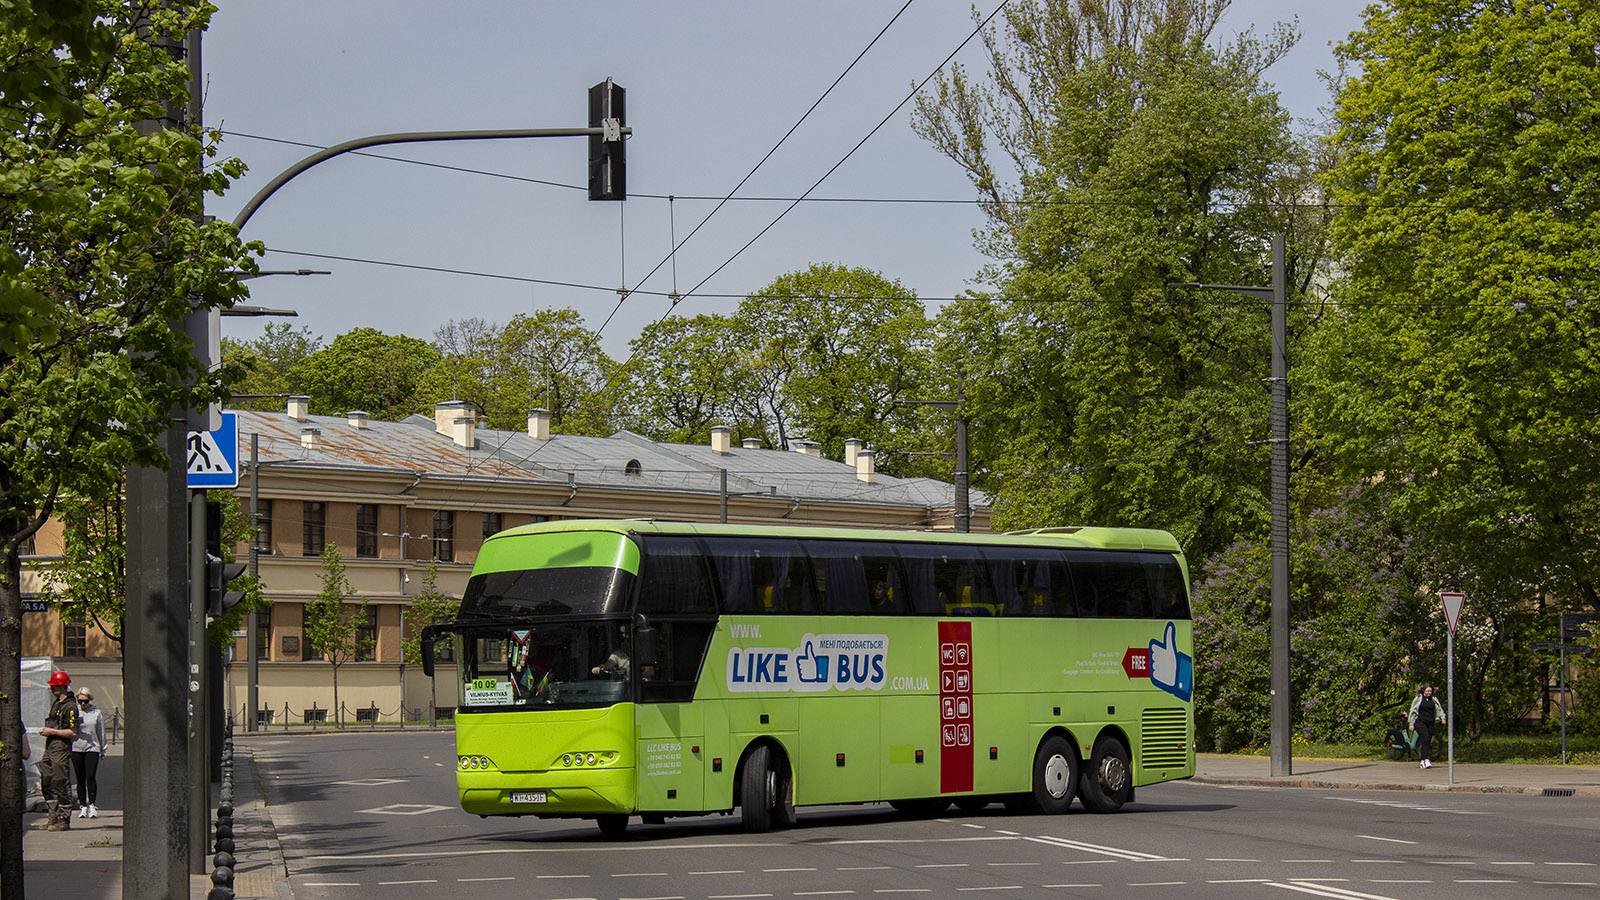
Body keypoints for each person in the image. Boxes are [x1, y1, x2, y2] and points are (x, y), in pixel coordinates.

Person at [37, 670, 80, 831]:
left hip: (60, 749)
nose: (52, 689)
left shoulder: (70, 707)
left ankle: (63, 818)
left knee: (61, 782)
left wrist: (52, 732)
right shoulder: (56, 704)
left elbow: (73, 732)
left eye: (54, 686)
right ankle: (53, 816)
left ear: (62, 686)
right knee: (47, 782)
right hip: (50, 748)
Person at [71, 687, 106, 819]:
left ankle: (92, 804)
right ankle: (83, 806)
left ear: (89, 700)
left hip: (92, 747)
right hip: (76, 747)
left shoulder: (96, 713)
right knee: (80, 778)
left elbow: (100, 731)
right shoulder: (74, 712)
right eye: (80, 701)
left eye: (85, 701)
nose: (82, 704)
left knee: (90, 776)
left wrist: (103, 748)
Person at [1408, 683, 1445, 770]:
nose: (1429, 692)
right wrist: (1411, 723)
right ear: (1423, 691)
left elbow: (1439, 709)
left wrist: (1442, 718)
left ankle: (1425, 759)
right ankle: (1424, 760)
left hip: (1430, 722)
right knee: (1425, 738)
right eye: (1427, 691)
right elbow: (1413, 710)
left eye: (1430, 691)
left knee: (1428, 741)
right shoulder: (1418, 699)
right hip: (1420, 722)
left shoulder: (1434, 699)